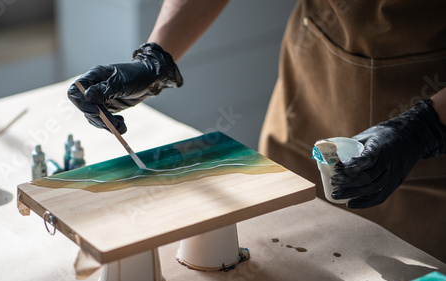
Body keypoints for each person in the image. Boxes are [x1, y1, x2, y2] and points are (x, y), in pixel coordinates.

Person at [68, 0, 446, 261]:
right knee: (274, 263)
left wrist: (424, 129)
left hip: (425, 145)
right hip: (315, 83)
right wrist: (156, 58)